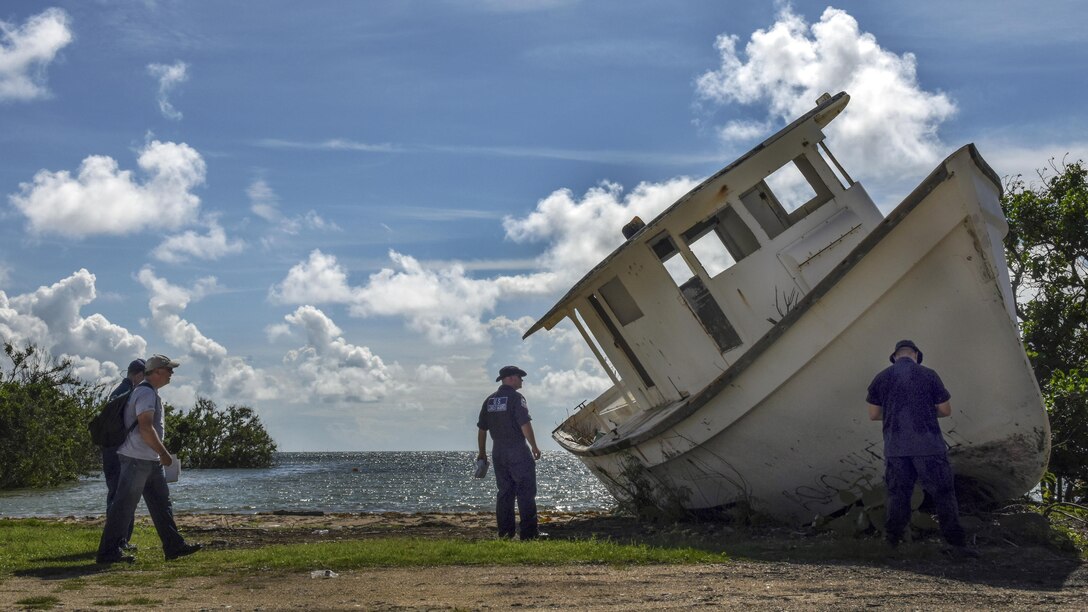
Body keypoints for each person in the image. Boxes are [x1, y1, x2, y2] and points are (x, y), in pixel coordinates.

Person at [866, 339, 975, 556]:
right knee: (943, 494)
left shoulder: (881, 378)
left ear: (895, 356)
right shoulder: (929, 375)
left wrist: (896, 414)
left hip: (896, 447)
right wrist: (925, 412)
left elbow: (873, 415)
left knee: (898, 495)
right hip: (929, 445)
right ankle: (956, 544)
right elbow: (945, 410)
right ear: (915, 354)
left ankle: (892, 543)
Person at [96, 354, 201, 564]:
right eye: (169, 369)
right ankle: (108, 553)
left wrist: (158, 454)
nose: (172, 373)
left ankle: (173, 546)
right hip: (137, 459)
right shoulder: (145, 393)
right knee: (123, 506)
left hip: (146, 459)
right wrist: (163, 453)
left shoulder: (147, 391)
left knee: (162, 504)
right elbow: (145, 427)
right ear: (157, 372)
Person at [477, 365, 542, 540]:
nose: (522, 380)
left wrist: (482, 452)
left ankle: (505, 533)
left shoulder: (489, 401)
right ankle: (529, 533)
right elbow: (524, 424)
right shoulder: (516, 398)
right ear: (511, 378)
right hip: (517, 450)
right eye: (520, 377)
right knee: (525, 492)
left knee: (504, 492)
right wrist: (534, 446)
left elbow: (482, 429)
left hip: (498, 452)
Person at [101, 358, 145, 551]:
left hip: (109, 451)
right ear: (138, 375)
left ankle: (116, 541)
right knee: (124, 497)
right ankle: (119, 541)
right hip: (120, 453)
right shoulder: (130, 392)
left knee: (115, 495)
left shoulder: (118, 391)